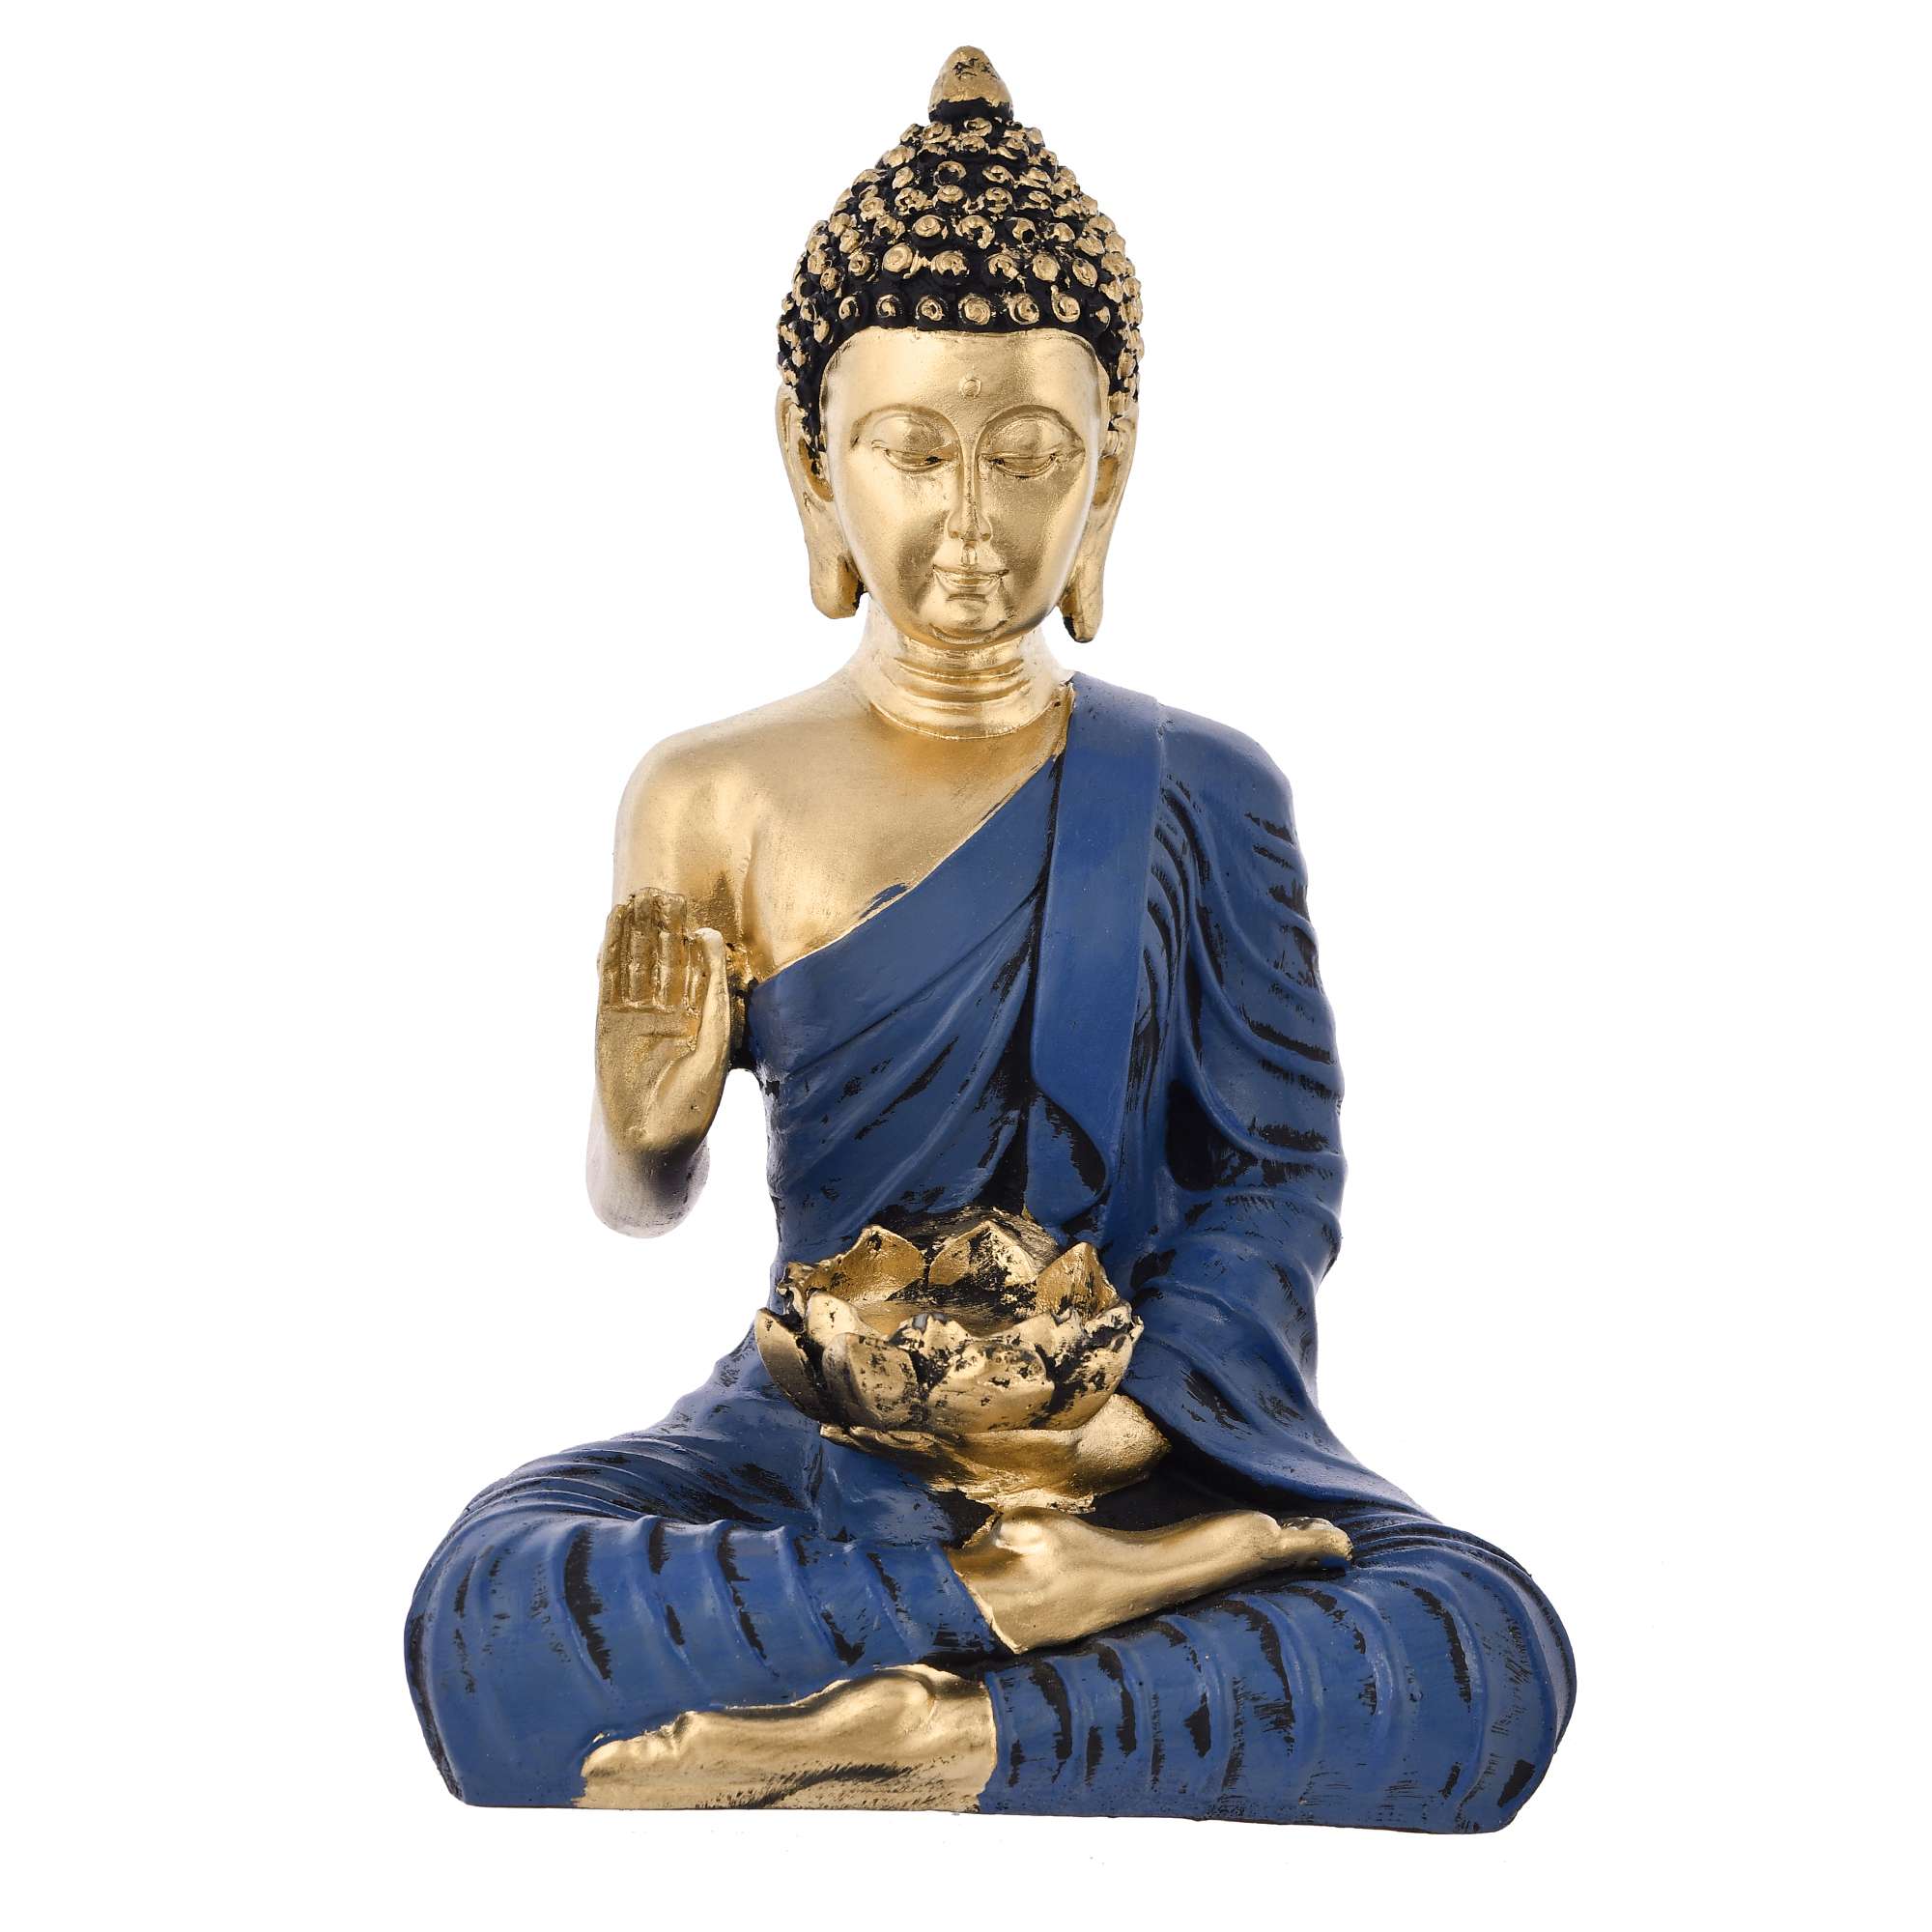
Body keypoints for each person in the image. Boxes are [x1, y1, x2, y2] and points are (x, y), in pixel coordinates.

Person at [406, 47, 1574, 1827]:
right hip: (813, 1439)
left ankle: (948, 1732)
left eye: (1031, 459)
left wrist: (1124, 1434)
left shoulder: (1200, 790)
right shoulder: (709, 794)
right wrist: (643, 1126)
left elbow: (1273, 1181)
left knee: (1485, 1643)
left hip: (1125, 1444)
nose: (970, 523)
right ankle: (1015, 1629)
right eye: (910, 451)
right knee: (487, 1604)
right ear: (811, 462)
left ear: (1111, 470)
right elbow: (640, 1205)